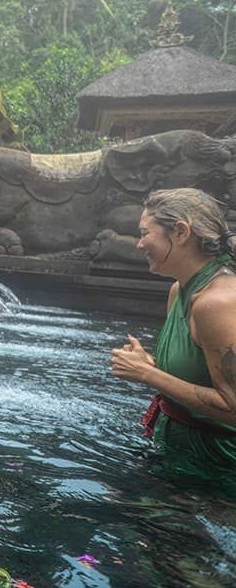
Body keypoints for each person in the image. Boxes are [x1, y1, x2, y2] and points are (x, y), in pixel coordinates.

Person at [110, 188, 236, 469]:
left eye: (145, 233)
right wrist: (151, 364)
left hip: (217, 469)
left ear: (180, 233)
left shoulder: (216, 303)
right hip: (178, 456)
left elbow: (233, 405)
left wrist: (147, 374)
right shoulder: (179, 290)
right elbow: (196, 376)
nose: (138, 245)